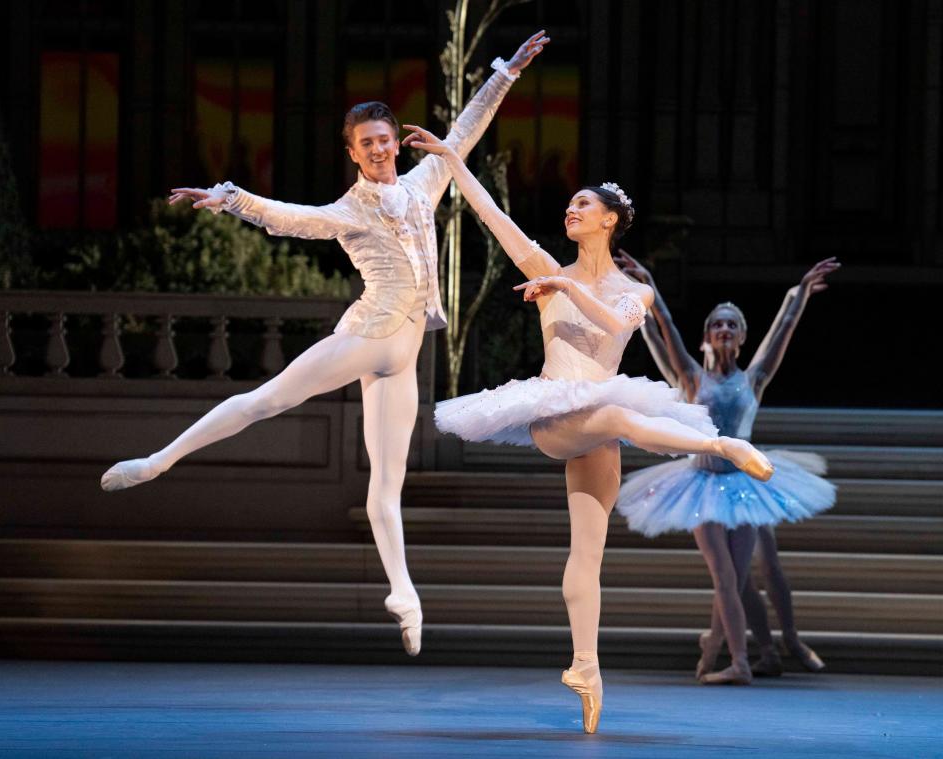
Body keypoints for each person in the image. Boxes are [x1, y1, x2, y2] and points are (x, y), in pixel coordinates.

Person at [99, 31, 550, 658]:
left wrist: (506, 73)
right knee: (267, 400)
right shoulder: (351, 209)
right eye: (365, 144)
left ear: (396, 141)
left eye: (384, 139)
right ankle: (157, 461)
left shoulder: (424, 184)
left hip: (404, 355)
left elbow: (466, 132)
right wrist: (231, 199)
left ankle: (404, 596)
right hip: (370, 335)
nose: (377, 149)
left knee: (385, 488)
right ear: (353, 155)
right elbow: (290, 217)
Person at [403, 123, 774, 733]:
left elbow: (617, 323)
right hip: (554, 415)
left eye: (583, 204)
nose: (571, 209)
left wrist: (564, 285)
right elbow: (493, 215)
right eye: (570, 204)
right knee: (622, 416)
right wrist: (450, 158)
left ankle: (586, 667)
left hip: (596, 425)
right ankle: (721, 444)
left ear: (609, 220)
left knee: (588, 550)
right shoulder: (548, 268)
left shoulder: (635, 291)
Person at [614, 251, 839, 683]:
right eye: (717, 323)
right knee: (725, 577)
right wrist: (648, 285)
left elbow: (782, 333)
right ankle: (731, 656)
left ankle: (724, 649)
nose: (723, 329)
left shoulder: (753, 378)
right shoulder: (694, 377)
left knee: (736, 580)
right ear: (709, 334)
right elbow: (666, 327)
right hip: (701, 481)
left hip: (744, 483)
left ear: (740, 337)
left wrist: (801, 291)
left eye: (731, 325)